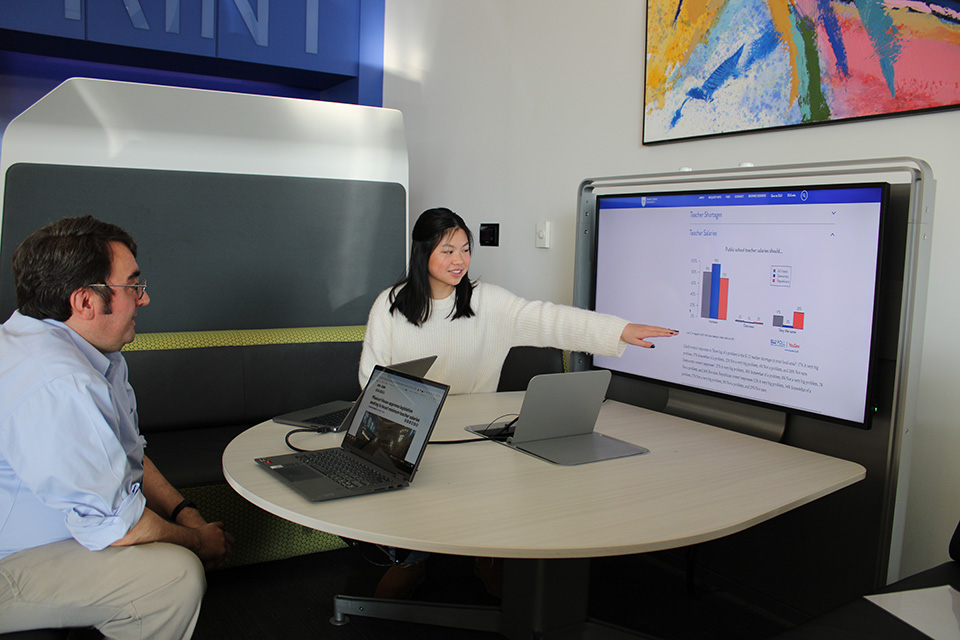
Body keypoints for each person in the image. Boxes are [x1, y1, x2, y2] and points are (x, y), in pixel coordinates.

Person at [359, 207, 677, 597]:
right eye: (447, 251)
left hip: (475, 430)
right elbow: (370, 380)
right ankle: (410, 560)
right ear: (422, 253)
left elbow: (550, 319)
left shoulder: (488, 302)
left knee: (499, 477)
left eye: (465, 249)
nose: (459, 261)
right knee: (405, 477)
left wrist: (620, 330)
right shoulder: (389, 305)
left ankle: (490, 557)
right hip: (408, 428)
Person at [0, 216, 234, 639]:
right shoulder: (59, 381)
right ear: (85, 302)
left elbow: (127, 455)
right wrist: (200, 543)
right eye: (133, 286)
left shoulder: (84, 353)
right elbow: (120, 526)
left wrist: (186, 513)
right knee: (173, 576)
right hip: (9, 562)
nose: (143, 300)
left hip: (47, 539)